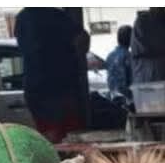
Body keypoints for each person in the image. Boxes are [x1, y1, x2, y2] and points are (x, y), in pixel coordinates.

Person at [14, 8, 89, 143]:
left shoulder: (22, 18)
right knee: (71, 138)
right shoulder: (58, 17)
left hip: (37, 89)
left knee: (51, 137)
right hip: (59, 88)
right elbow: (83, 40)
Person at [105, 25, 133, 102]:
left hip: (113, 97)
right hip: (127, 98)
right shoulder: (129, 56)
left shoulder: (110, 55)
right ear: (131, 39)